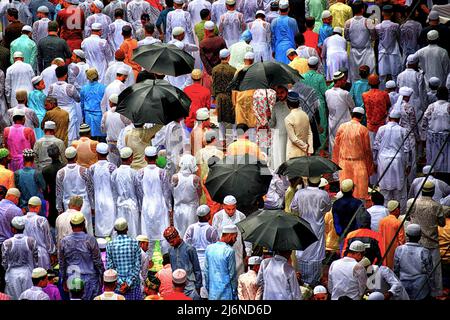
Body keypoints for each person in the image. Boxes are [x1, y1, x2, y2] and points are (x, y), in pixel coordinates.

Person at [290, 176, 331, 286]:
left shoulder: (299, 193)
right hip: (317, 227)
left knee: (303, 251)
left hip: (303, 225)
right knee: (315, 253)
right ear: (319, 183)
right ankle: (313, 284)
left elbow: (293, 208)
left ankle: (304, 283)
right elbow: (328, 208)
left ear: (307, 181)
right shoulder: (323, 194)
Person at [407, 181, 446, 298]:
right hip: (432, 243)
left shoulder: (412, 203)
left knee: (416, 269)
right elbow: (442, 223)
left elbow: (408, 216)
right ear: (433, 192)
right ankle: (436, 293)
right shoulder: (436, 206)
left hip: (416, 241)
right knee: (435, 271)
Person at [59, 211, 104, 300]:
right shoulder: (90, 239)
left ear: (71, 226)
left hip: (73, 278)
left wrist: (63, 279)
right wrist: (102, 275)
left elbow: (62, 263)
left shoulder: (64, 241)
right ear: (83, 224)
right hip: (90, 279)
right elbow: (97, 261)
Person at [373, 110, 412, 211]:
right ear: (399, 120)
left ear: (389, 118)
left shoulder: (381, 129)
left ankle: (385, 210)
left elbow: (376, 147)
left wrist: (375, 162)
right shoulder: (403, 130)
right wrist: (408, 164)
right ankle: (400, 212)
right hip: (398, 161)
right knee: (399, 189)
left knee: (384, 187)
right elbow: (407, 149)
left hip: (382, 160)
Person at [333, 107, 374, 201]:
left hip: (344, 163)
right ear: (362, 117)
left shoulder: (342, 127)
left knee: (345, 191)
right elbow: (367, 150)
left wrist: (335, 164)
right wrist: (370, 168)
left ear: (352, 114)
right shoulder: (363, 129)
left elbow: (336, 146)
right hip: (358, 164)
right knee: (360, 195)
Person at [135, 146, 171, 251]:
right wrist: (169, 208)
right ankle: (166, 260)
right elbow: (166, 192)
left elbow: (139, 192)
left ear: (145, 158)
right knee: (163, 233)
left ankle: (147, 260)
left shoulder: (140, 173)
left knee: (147, 234)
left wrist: (141, 206)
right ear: (156, 158)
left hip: (146, 205)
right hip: (160, 205)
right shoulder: (162, 172)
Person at [56, 146, 95, 235]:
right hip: (84, 205)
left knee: (71, 231)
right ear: (76, 156)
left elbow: (59, 193)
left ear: (65, 157)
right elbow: (90, 190)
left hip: (68, 206)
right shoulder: (84, 171)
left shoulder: (60, 173)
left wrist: (59, 209)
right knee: (86, 231)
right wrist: (93, 206)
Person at [183, 205, 219, 299]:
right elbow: (216, 248)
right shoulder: (211, 230)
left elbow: (185, 245)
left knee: (194, 287)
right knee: (206, 289)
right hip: (207, 262)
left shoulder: (191, 228)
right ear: (207, 216)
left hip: (193, 262)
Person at [212, 195, 251, 276]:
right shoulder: (217, 216)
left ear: (236, 206)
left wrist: (248, 252)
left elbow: (247, 235)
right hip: (221, 251)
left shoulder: (241, 216)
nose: (231, 211)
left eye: (233, 209)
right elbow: (214, 236)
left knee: (238, 274)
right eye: (228, 209)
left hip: (237, 251)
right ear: (223, 206)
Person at [1, 215, 38, 299]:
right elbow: (36, 261)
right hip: (28, 274)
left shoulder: (6, 243)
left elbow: (4, 263)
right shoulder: (31, 241)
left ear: (13, 229)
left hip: (12, 275)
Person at [394, 224, 433, 300]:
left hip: (404, 286)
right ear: (419, 236)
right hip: (421, 288)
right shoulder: (424, 251)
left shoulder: (399, 249)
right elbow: (430, 271)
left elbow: (396, 270)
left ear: (407, 235)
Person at [107, 218, 142, 300]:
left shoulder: (110, 245)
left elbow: (109, 268)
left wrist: (121, 283)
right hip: (133, 286)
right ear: (127, 228)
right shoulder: (135, 243)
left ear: (115, 229)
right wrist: (128, 283)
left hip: (118, 287)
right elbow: (137, 266)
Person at [164, 226, 202, 300]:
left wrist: (198, 287)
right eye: (169, 242)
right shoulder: (170, 251)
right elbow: (173, 269)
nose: (171, 244)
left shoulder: (189, 249)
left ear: (178, 236)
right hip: (177, 287)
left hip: (190, 287)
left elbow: (197, 270)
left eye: (172, 241)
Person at [391, 86, 418, 185]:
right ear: (407, 97)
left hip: (397, 135)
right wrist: (418, 137)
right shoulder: (409, 107)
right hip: (408, 134)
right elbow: (413, 123)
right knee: (411, 158)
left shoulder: (394, 106)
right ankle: (411, 182)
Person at [110, 147, 140, 238]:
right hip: (133, 205)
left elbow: (113, 191)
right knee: (133, 231)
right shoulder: (134, 173)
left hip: (120, 205)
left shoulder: (115, 173)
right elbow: (138, 191)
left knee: (120, 228)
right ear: (130, 158)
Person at [89, 143, 117, 238]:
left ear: (97, 153)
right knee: (111, 224)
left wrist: (92, 204)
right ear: (107, 153)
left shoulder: (92, 168)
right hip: (111, 200)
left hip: (98, 201)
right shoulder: (112, 167)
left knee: (100, 227)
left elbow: (91, 188)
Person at [47, 65, 81, 144]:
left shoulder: (52, 87)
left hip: (57, 112)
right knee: (70, 133)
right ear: (66, 75)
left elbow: (49, 98)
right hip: (70, 112)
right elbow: (78, 99)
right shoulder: (69, 87)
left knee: (57, 131)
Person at [344, 1, 375, 82]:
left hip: (354, 51)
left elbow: (346, 37)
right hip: (366, 51)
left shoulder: (348, 23)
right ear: (362, 9)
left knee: (354, 74)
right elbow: (374, 36)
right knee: (369, 74)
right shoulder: (369, 21)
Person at [204, 224, 238, 300]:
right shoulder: (229, 251)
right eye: (235, 237)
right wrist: (235, 293)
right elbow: (232, 275)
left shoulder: (209, 248)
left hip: (212, 294)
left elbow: (206, 272)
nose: (235, 240)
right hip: (226, 295)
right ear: (230, 236)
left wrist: (208, 288)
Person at [420, 87, 449, 174]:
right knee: (446, 159)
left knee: (433, 158)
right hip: (445, 138)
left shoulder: (431, 106)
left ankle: (433, 174)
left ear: (437, 96)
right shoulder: (448, 106)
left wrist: (423, 137)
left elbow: (424, 121)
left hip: (433, 138)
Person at [172, 155, 201, 239]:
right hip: (192, 208)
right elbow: (200, 193)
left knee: (179, 231)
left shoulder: (175, 177)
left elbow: (172, 192)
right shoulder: (195, 179)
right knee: (191, 233)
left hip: (178, 208)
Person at [23, 197, 55, 270]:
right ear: (38, 207)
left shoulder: (21, 219)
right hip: (41, 254)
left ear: (28, 206)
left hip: (27, 254)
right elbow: (48, 238)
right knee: (42, 278)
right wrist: (52, 252)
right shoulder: (41, 220)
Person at [212, 49, 236, 142]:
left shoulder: (215, 69)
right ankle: (234, 138)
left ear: (219, 57)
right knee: (233, 117)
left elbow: (213, 85)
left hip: (219, 96)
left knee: (221, 119)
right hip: (230, 96)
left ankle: (222, 139)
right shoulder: (233, 70)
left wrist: (214, 97)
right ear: (229, 57)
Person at [14, 150, 46, 214]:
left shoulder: (17, 173)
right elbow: (44, 188)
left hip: (23, 206)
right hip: (36, 205)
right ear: (33, 159)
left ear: (23, 159)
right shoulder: (37, 173)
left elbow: (17, 189)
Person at [362, 74, 391, 146]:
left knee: (372, 147)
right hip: (382, 124)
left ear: (369, 83)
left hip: (370, 125)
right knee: (382, 146)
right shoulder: (384, 94)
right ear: (379, 83)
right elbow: (388, 106)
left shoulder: (364, 95)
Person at [284, 91, 313, 160]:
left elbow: (293, 139)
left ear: (288, 104)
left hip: (293, 153)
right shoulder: (305, 115)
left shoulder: (288, 118)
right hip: (304, 153)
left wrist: (305, 146)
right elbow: (310, 133)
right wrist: (310, 149)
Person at [396, 54, 427, 119]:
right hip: (416, 106)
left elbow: (398, 91)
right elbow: (422, 93)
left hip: (403, 106)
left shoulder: (400, 75)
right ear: (415, 64)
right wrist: (424, 107)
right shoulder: (418, 76)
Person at [80, 68, 106, 141]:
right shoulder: (103, 88)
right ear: (97, 76)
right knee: (102, 140)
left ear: (87, 77)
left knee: (90, 139)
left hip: (88, 116)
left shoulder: (84, 88)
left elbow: (82, 104)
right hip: (100, 116)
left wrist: (83, 116)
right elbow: (105, 104)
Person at [378, 200, 405, 269]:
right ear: (396, 210)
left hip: (383, 250)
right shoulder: (398, 222)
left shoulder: (382, 221)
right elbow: (401, 241)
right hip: (394, 252)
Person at [271, 0, 298, 64]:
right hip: (291, 47)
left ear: (279, 9)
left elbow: (273, 38)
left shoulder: (274, 21)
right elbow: (296, 35)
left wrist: (273, 50)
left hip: (278, 48)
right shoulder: (292, 21)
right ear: (288, 9)